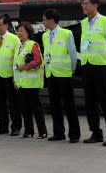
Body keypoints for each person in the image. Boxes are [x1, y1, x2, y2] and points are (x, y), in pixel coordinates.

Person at [80, 0, 106, 146]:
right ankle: (96, 133)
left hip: (101, 66)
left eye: (86, 3)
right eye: (82, 4)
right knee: (90, 102)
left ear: (95, 5)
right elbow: (84, 43)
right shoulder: (84, 23)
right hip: (87, 65)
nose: (84, 6)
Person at [41, 9, 80, 143]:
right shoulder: (45, 36)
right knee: (54, 105)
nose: (43, 22)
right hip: (51, 74)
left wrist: (71, 70)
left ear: (52, 20)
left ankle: (74, 134)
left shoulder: (66, 33)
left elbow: (73, 54)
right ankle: (59, 133)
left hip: (64, 74)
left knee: (69, 105)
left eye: (44, 19)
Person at [0, 15, 21, 136]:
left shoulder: (14, 39)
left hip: (10, 76)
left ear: (6, 25)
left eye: (0, 25)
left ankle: (16, 126)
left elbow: (17, 58)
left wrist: (15, 75)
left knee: (13, 103)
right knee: (0, 103)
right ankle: (3, 126)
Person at [13, 21, 47, 140]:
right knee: (25, 109)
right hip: (21, 83)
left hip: (32, 84)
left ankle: (42, 132)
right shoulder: (19, 46)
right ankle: (28, 131)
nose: (19, 33)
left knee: (35, 109)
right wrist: (15, 81)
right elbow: (15, 65)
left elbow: (38, 60)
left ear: (28, 33)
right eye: (18, 31)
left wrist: (24, 67)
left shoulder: (33, 44)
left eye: (21, 31)